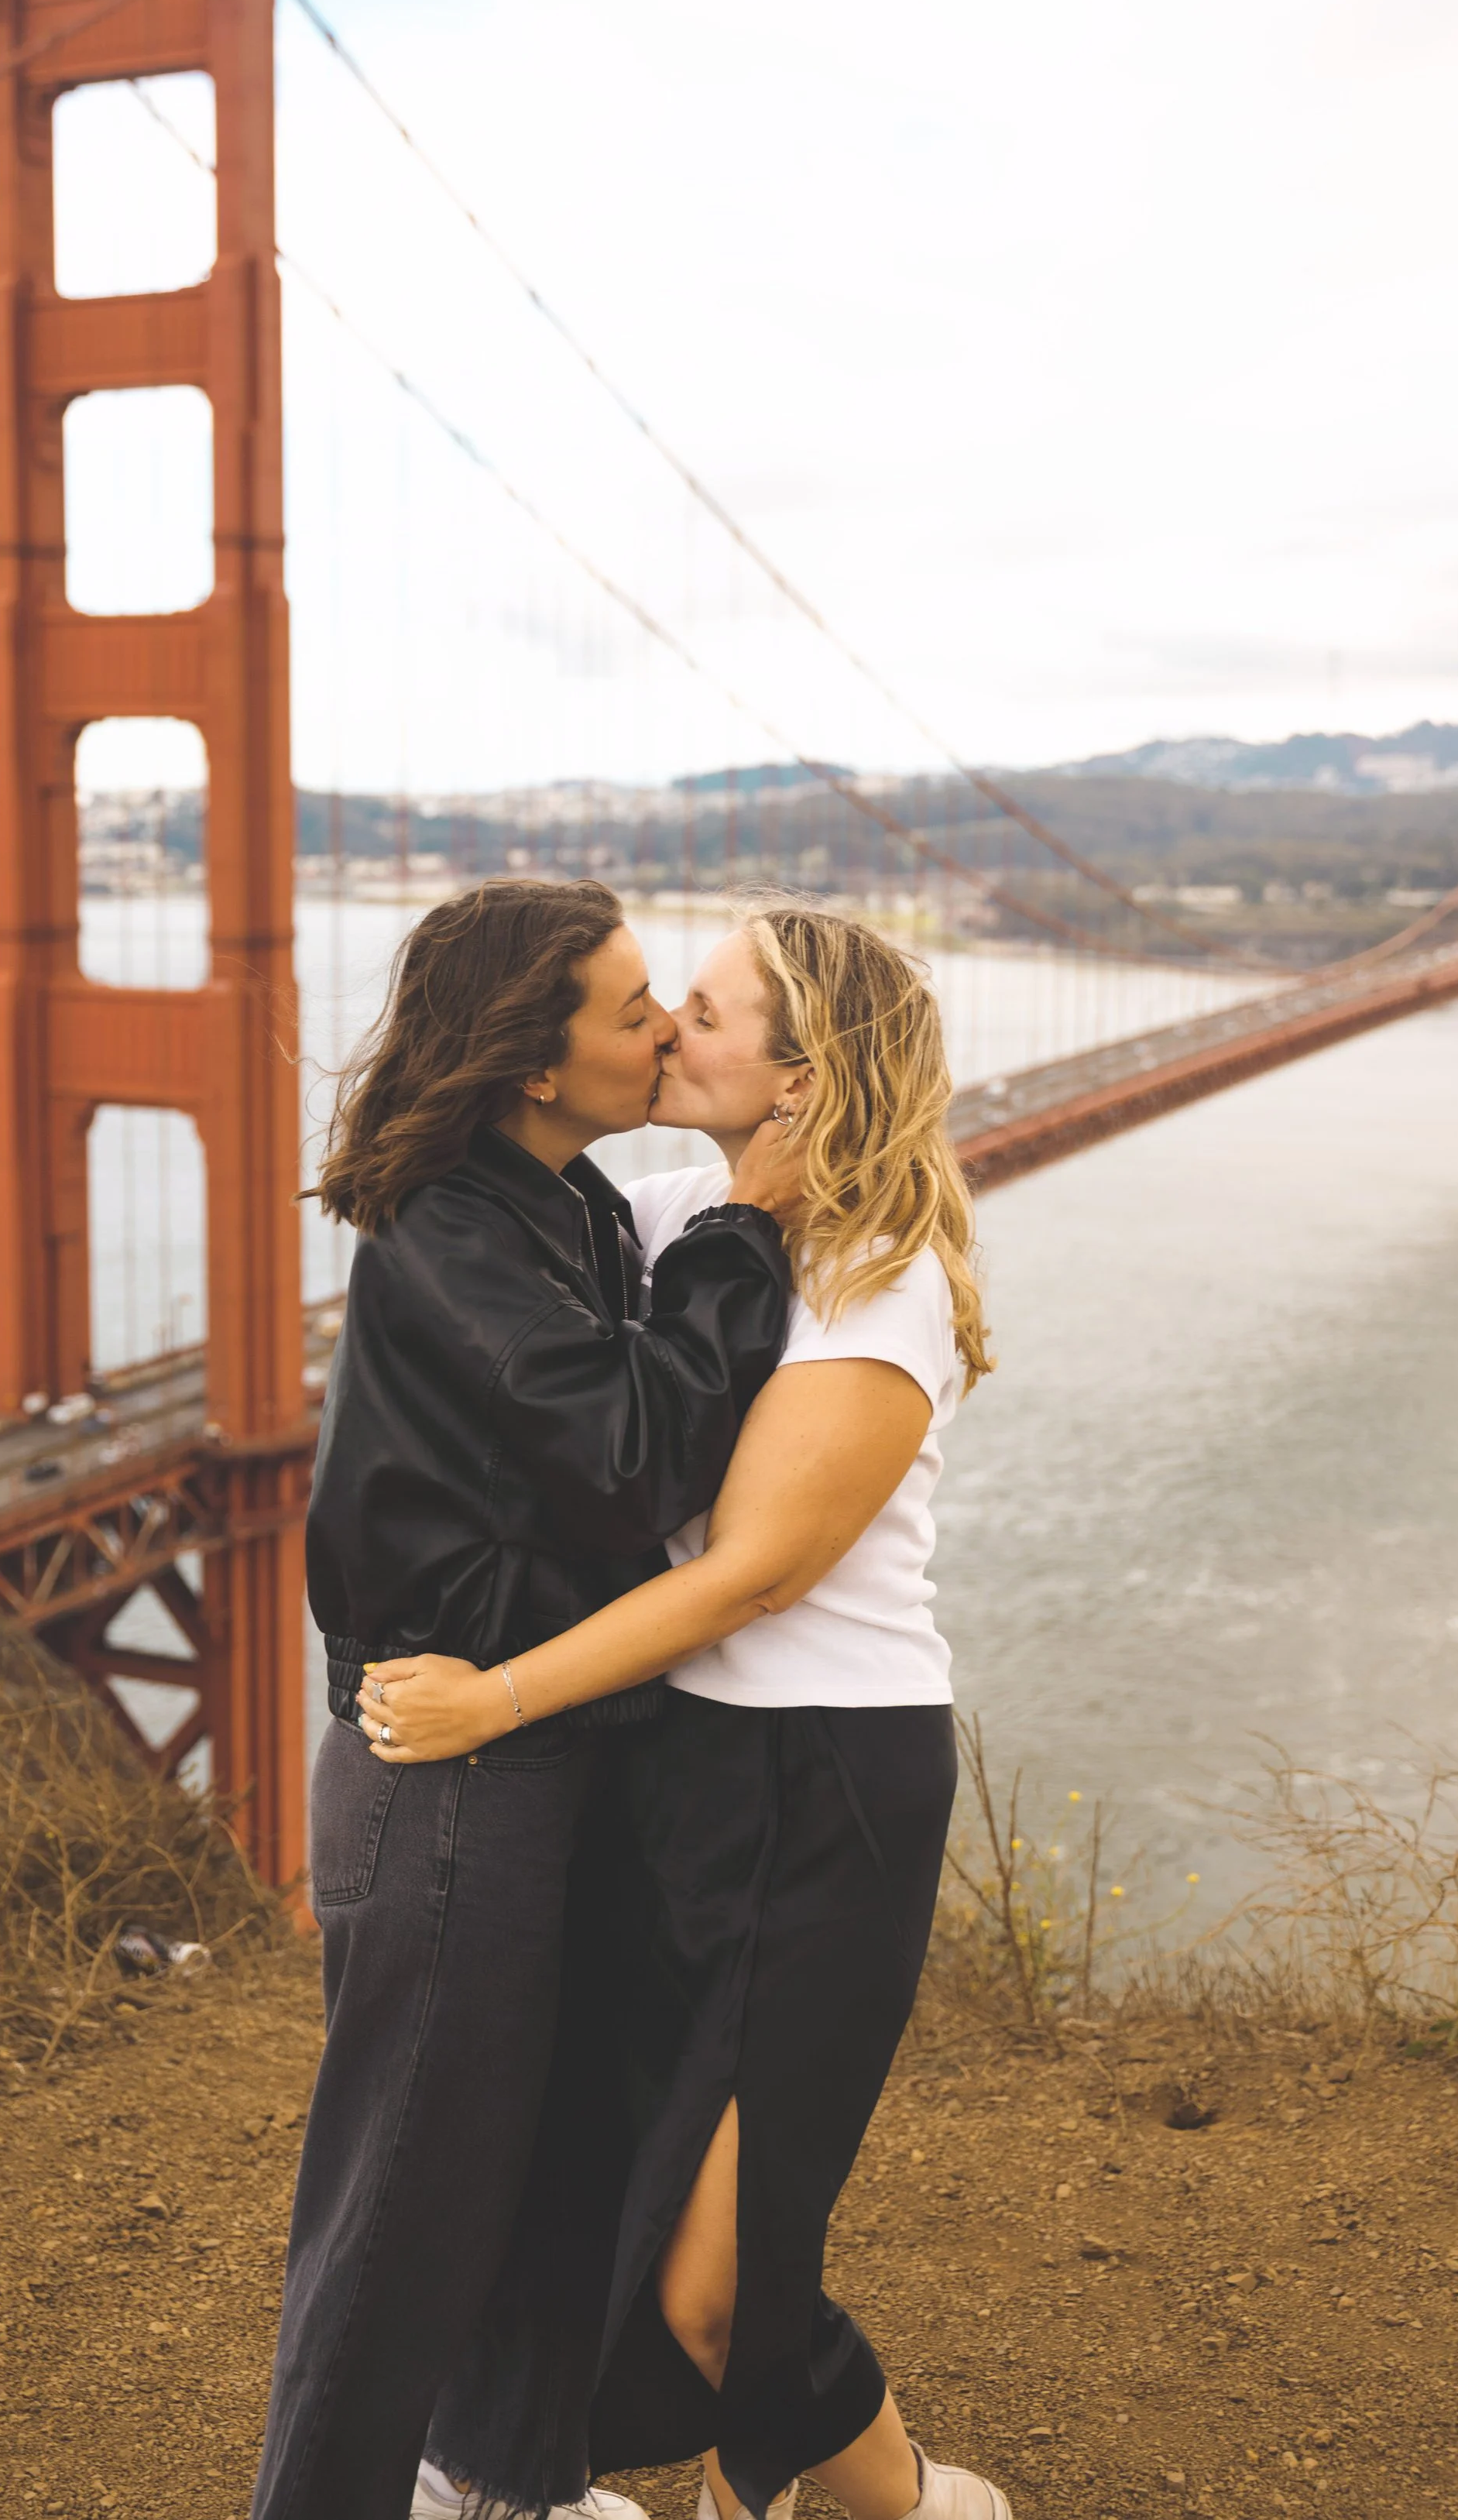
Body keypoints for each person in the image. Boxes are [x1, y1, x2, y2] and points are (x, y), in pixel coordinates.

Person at [361, 905, 1010, 2520]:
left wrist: (489, 1693)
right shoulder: (656, 1214)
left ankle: (908, 2503)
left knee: (718, 2275)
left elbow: (748, 1579)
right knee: (637, 2207)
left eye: (702, 1013)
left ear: (800, 1081)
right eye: (654, 1004)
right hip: (670, 1767)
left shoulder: (878, 1279)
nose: (662, 1032)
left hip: (823, 1779)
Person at [249, 878, 801, 2520]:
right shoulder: (449, 1226)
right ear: (530, 1060)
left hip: (536, 1752)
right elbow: (631, 1460)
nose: (665, 1029)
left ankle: (498, 2484)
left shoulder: (555, 1205)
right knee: (403, 2203)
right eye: (632, 1007)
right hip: (448, 1777)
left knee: (537, 2164)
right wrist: (744, 1230)